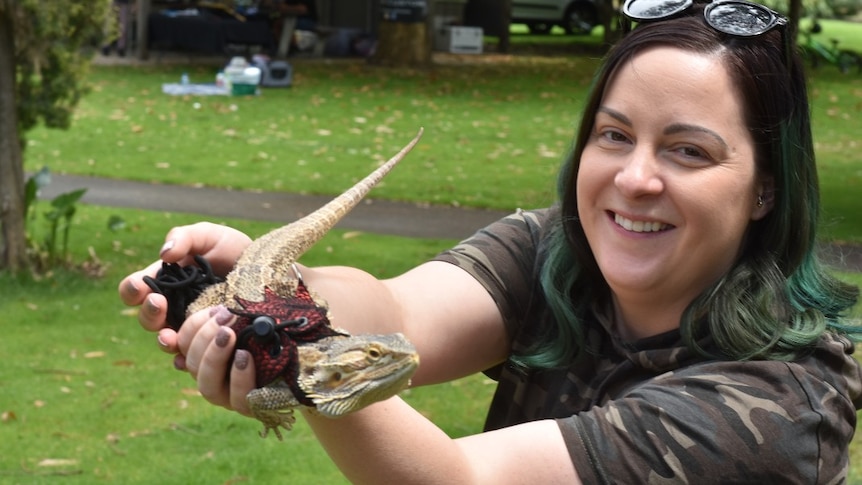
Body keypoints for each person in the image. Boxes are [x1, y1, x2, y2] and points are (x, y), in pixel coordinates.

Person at [119, 0, 862, 482]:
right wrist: (263, 277)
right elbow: (394, 313)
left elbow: (461, 480)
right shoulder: (558, 250)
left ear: (767, 185)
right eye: (614, 135)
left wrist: (291, 351)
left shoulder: (778, 406)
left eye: (688, 150)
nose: (635, 178)